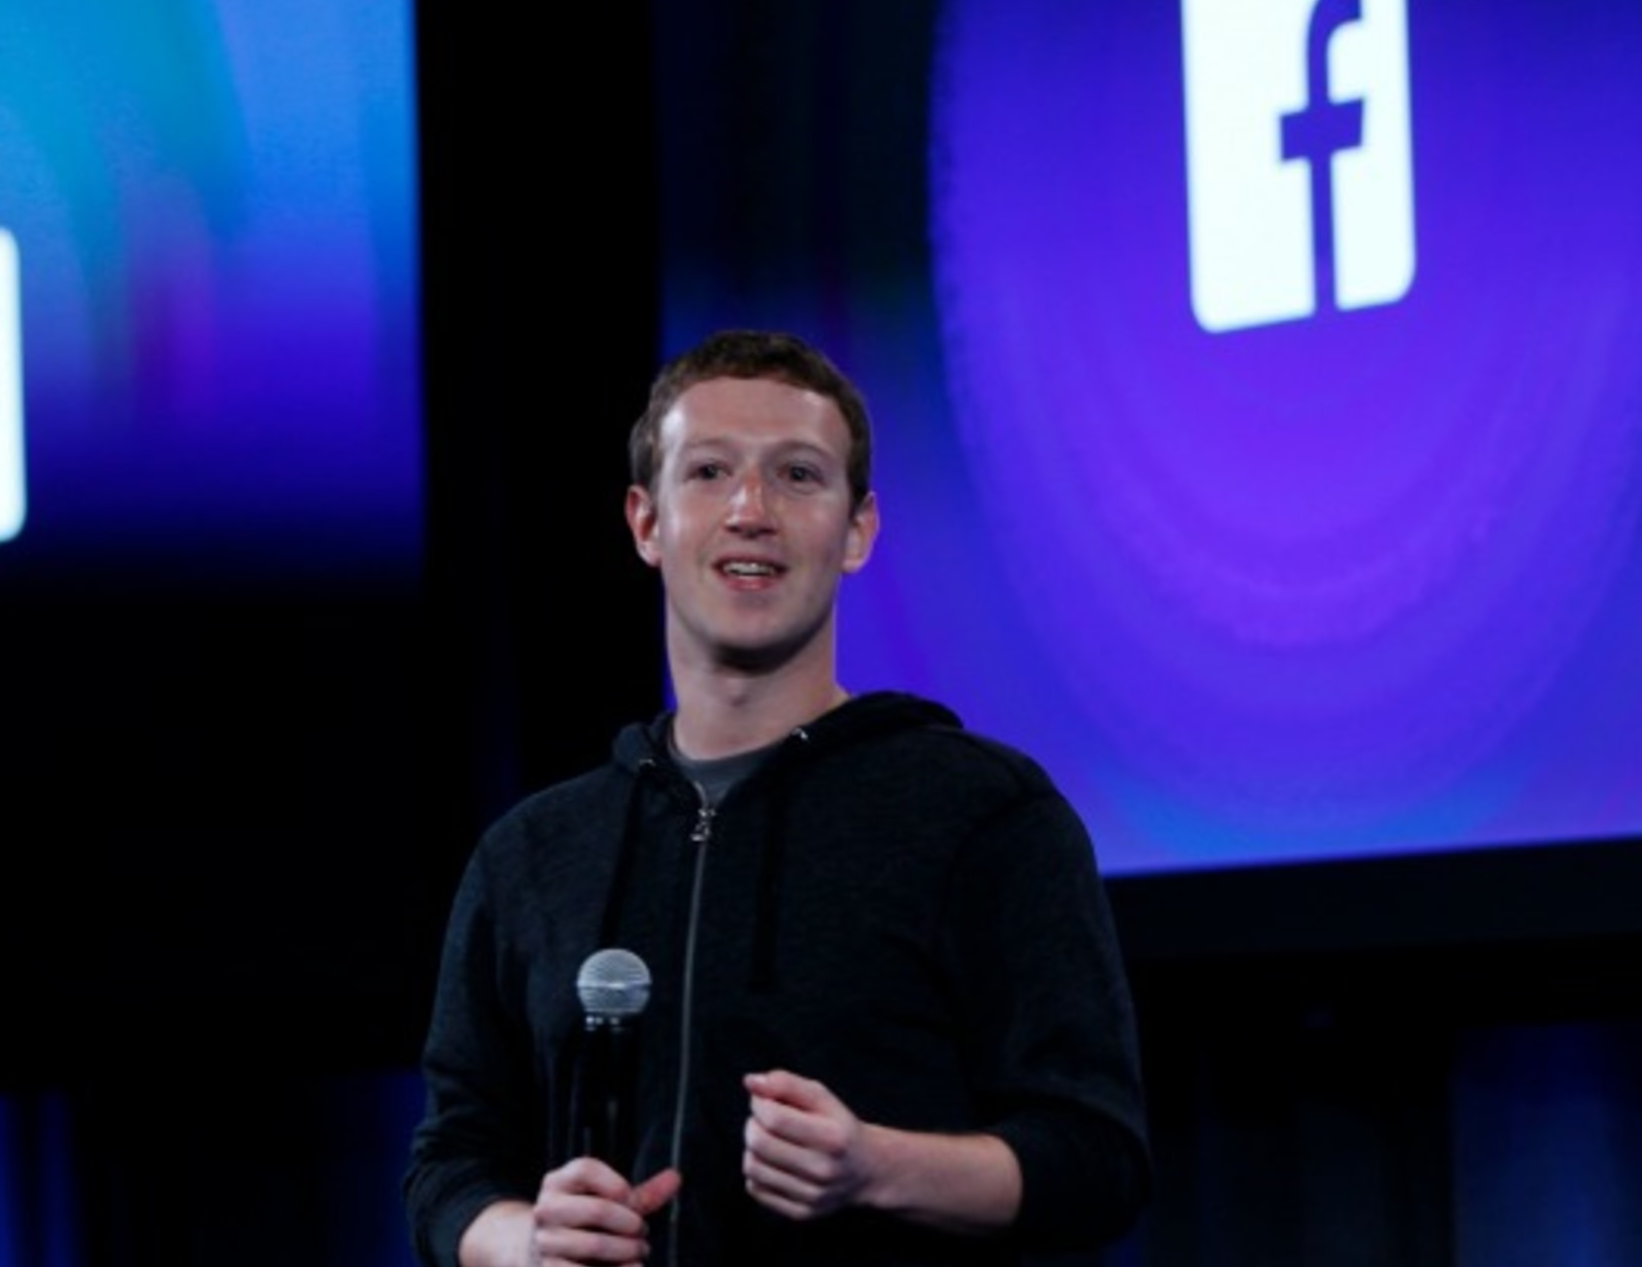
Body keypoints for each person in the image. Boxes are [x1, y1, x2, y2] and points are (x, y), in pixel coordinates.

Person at [402, 328, 1151, 1265]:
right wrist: (528, 1241)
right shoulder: (533, 853)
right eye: (709, 472)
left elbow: (1098, 1161)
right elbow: (450, 1165)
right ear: (646, 523)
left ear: (857, 530)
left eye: (797, 475)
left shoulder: (986, 816)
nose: (750, 510)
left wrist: (878, 1167)